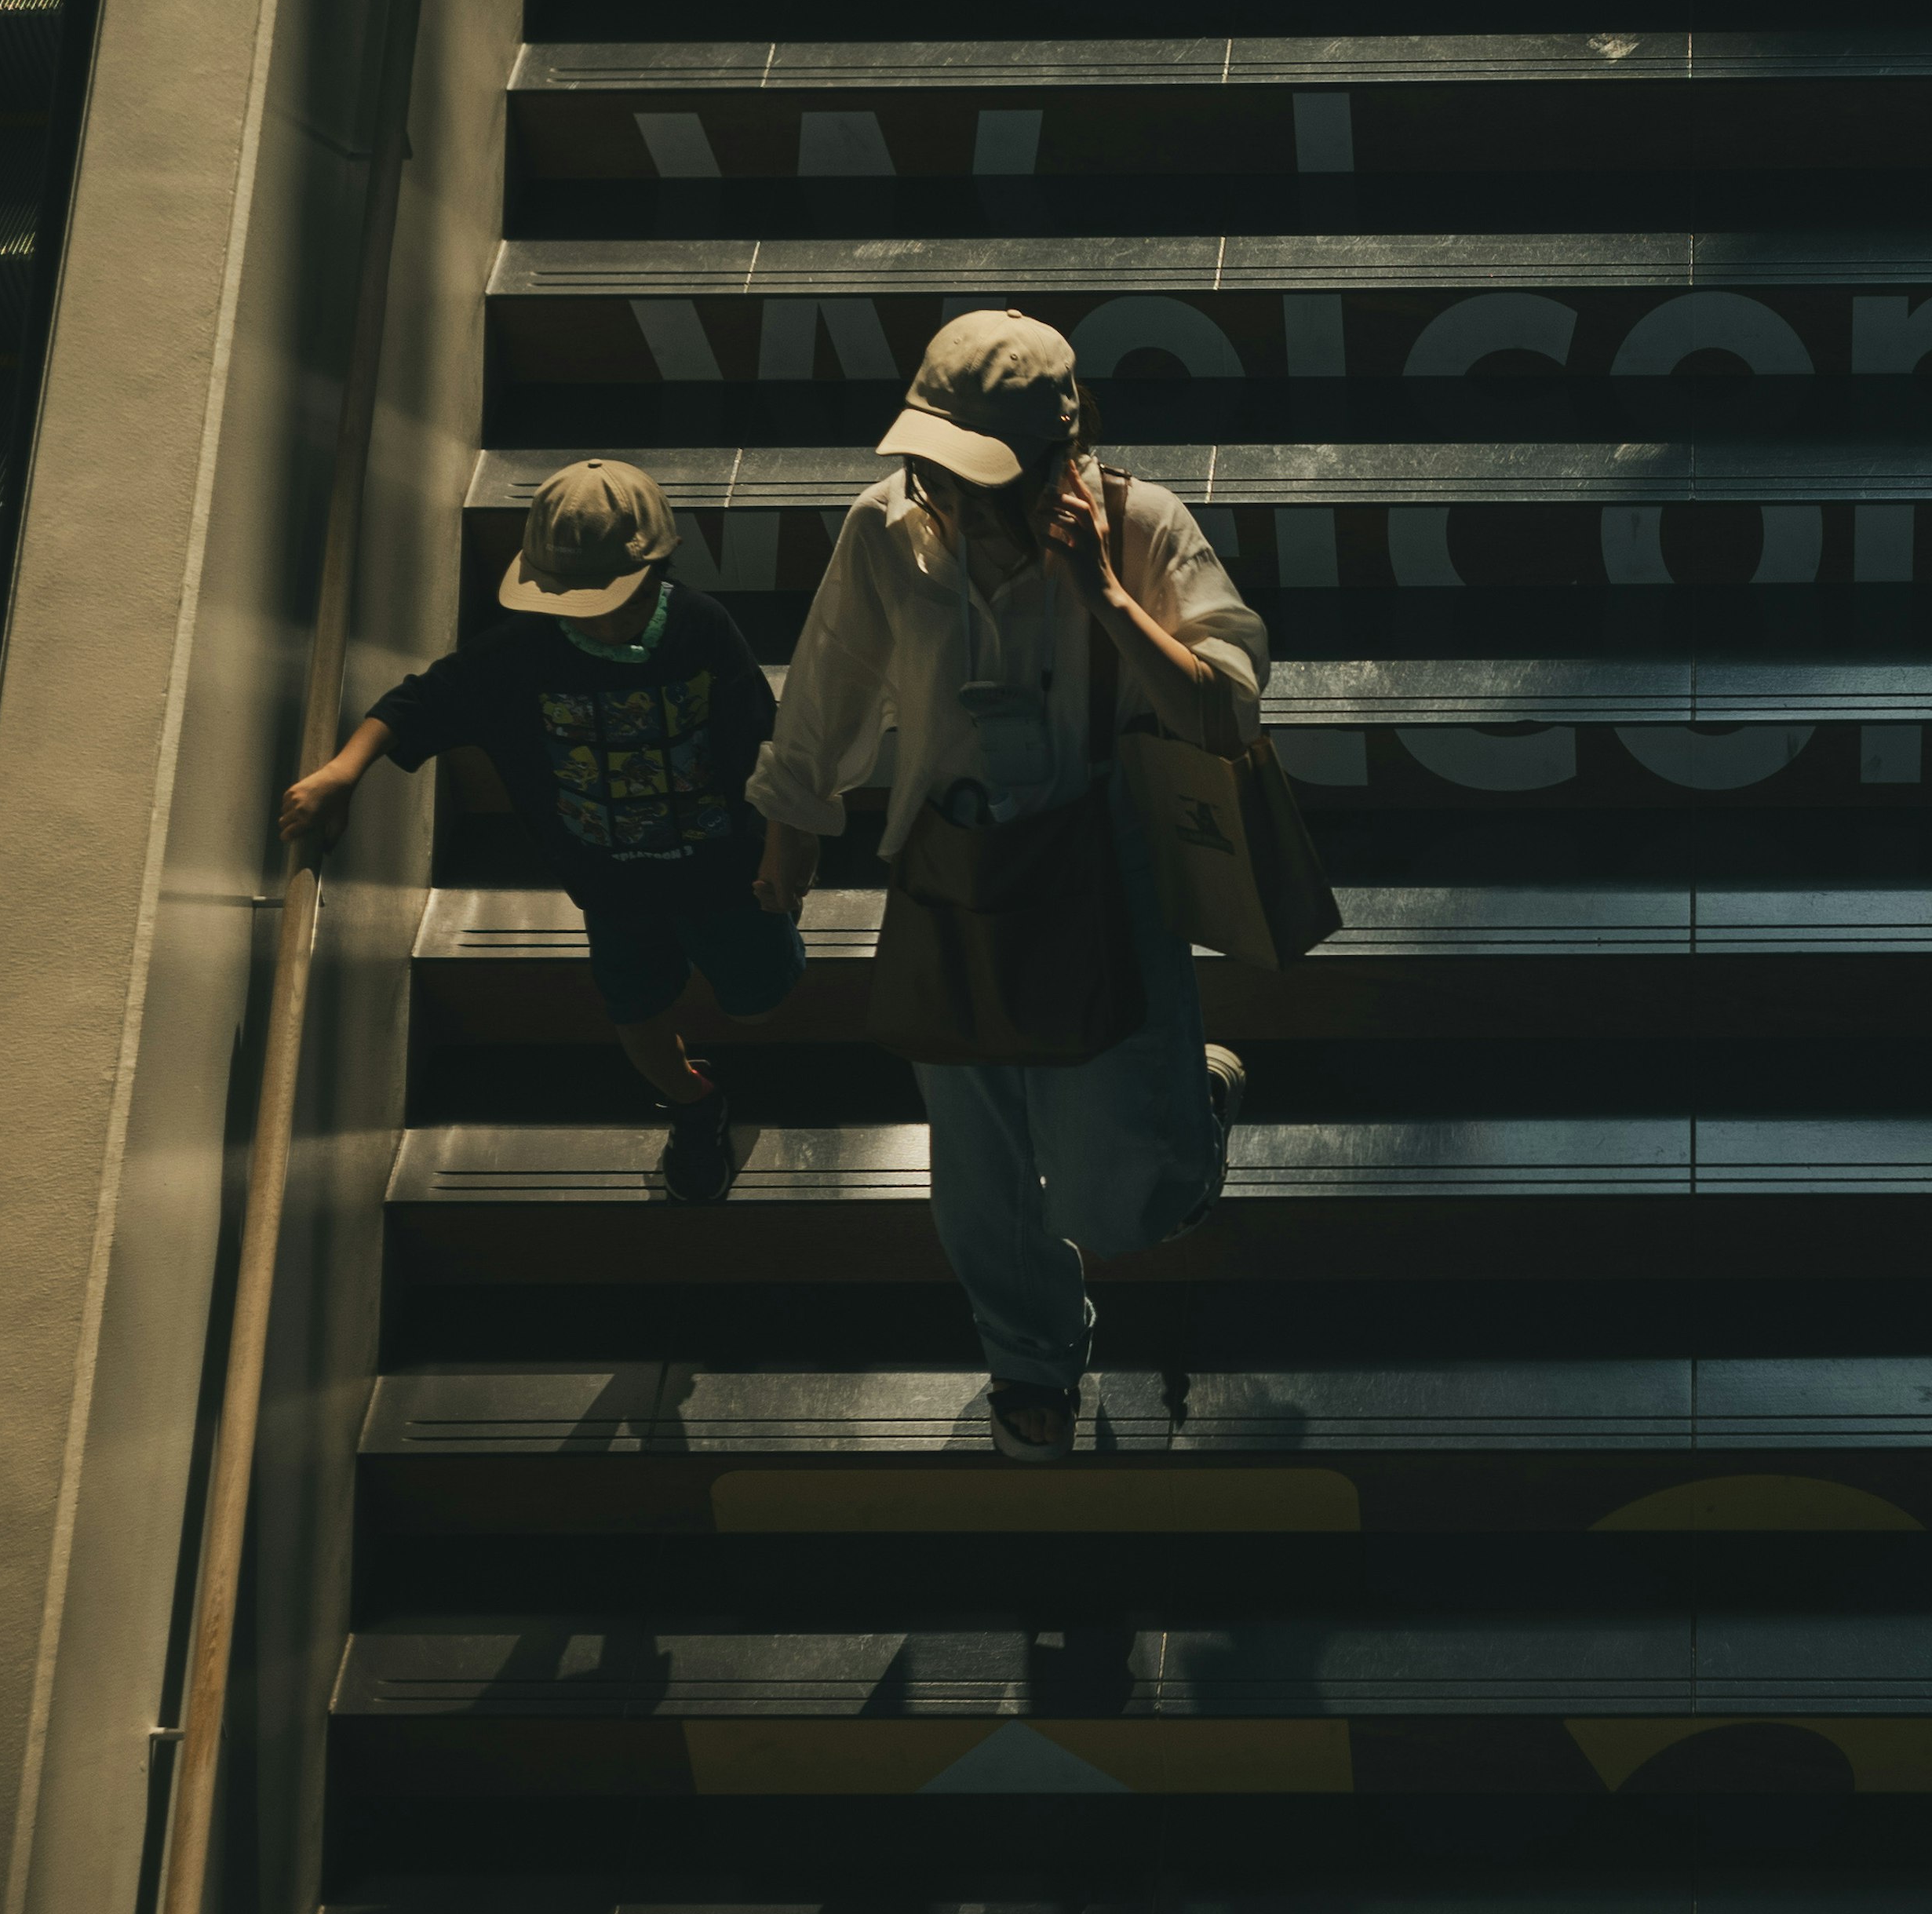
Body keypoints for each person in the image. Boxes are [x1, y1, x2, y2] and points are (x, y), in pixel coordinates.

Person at [747, 308, 1263, 1456]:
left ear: (1060, 457)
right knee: (977, 1176)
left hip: (1098, 869)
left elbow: (1227, 712)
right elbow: (830, 677)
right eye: (936, 467)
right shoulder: (888, 530)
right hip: (947, 872)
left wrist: (1105, 599)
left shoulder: (1139, 527)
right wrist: (793, 817)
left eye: (981, 476)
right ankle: (1030, 1358)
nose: (954, 496)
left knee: (1116, 1202)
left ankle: (1194, 1112)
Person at [279, 454, 803, 1203]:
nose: (590, 614)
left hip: (724, 872)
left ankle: (724, 1033)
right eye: (573, 597)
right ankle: (695, 1104)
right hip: (612, 885)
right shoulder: (521, 652)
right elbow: (418, 702)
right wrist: (342, 772)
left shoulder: (701, 629)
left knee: (760, 995)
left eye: (610, 596)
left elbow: (765, 739)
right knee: (635, 1012)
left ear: (657, 570)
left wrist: (783, 842)